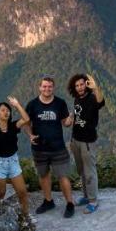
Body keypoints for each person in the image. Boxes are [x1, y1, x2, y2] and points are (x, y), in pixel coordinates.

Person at [24, 76, 76, 217]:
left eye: (50, 86)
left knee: (63, 176)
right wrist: (30, 135)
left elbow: (65, 122)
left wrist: (69, 120)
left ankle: (70, 203)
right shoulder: (32, 105)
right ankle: (48, 201)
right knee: (43, 175)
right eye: (44, 86)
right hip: (39, 148)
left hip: (58, 148)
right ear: (39, 88)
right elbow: (26, 123)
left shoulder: (60, 103)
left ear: (53, 88)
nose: (47, 89)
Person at [67, 72, 106, 211]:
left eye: (82, 84)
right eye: (77, 85)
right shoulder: (77, 99)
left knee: (90, 171)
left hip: (88, 142)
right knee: (81, 170)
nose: (80, 87)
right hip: (76, 140)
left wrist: (96, 88)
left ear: (86, 84)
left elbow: (101, 101)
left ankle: (93, 201)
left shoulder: (92, 98)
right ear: (74, 87)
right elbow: (78, 116)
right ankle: (86, 195)